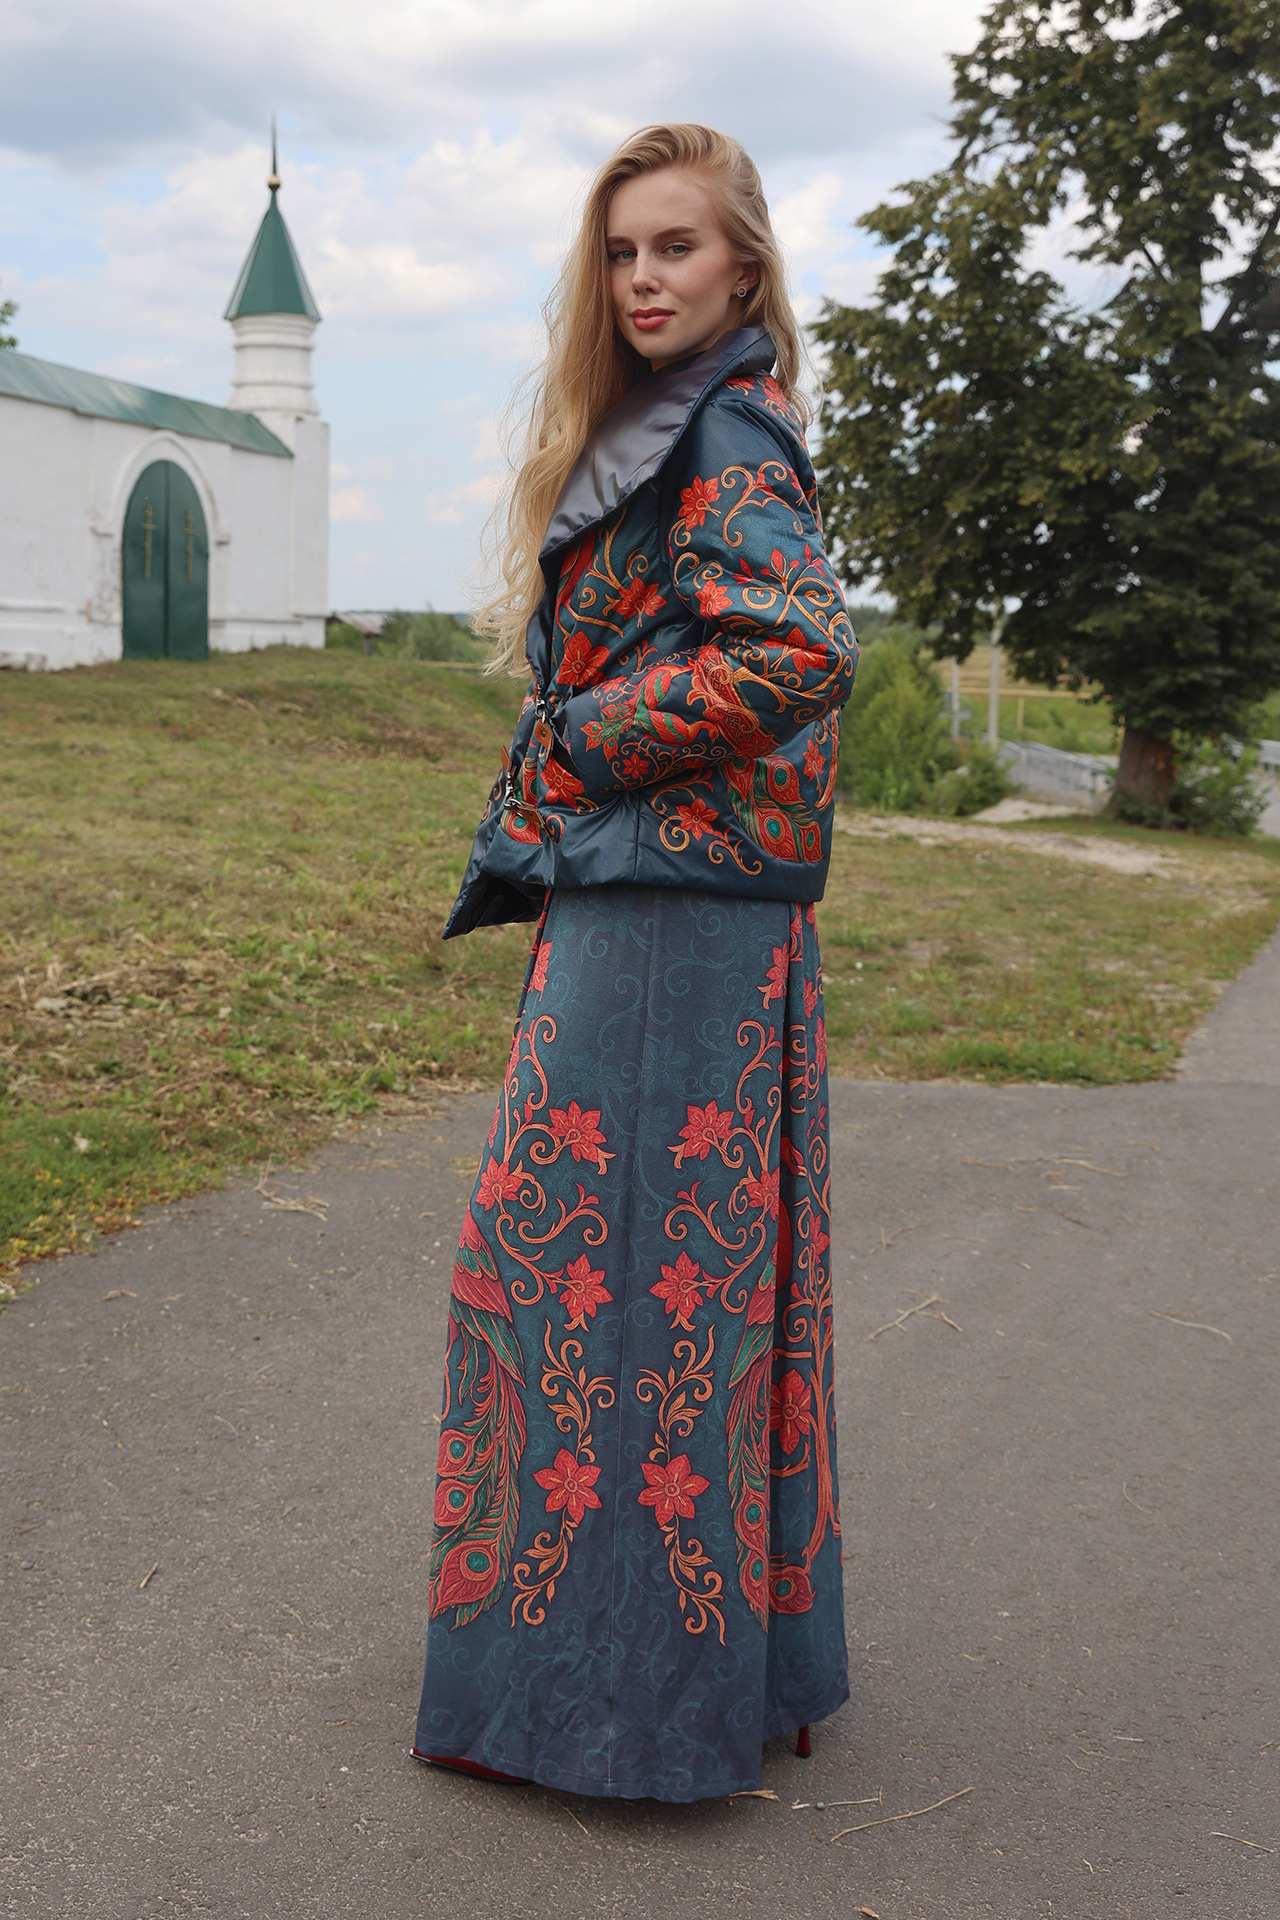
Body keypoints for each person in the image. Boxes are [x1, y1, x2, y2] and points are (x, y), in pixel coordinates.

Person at [411, 122, 857, 1803]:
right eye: (621, 252)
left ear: (745, 266)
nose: (645, 279)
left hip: (673, 923)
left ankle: (611, 1714)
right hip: (665, 908)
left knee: (596, 1296)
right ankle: (652, 1689)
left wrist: (585, 740)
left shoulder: (723, 426)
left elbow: (797, 646)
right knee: (652, 1296)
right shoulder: (682, 421)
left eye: (678, 246)